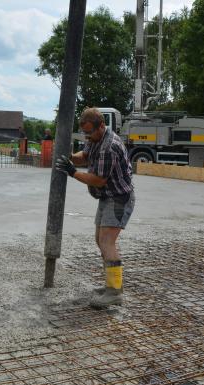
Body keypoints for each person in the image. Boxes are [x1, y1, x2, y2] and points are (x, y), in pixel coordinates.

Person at [55, 107, 135, 309]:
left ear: (102, 126)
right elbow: (85, 156)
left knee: (107, 242)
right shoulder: (95, 139)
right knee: (100, 240)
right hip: (108, 197)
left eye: (90, 132)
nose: (87, 137)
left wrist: (72, 172)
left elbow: (99, 180)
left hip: (119, 198)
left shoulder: (110, 146)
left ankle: (114, 292)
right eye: (85, 133)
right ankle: (112, 284)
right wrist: (71, 157)